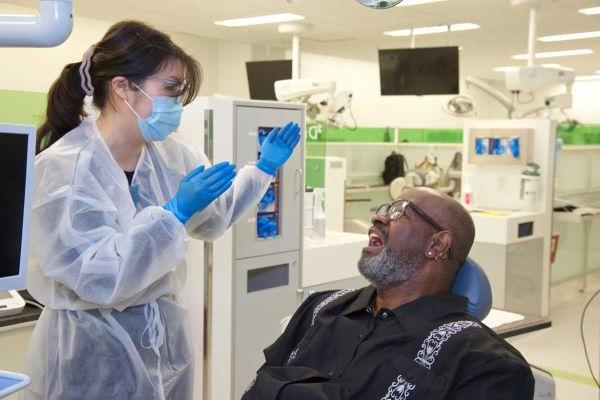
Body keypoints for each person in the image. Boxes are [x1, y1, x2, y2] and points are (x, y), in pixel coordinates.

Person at [23, 20, 300, 400]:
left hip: (163, 347)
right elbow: (100, 278)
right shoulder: (63, 168)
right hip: (88, 354)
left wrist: (263, 169)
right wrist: (172, 214)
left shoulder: (172, 155)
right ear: (123, 88)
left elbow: (212, 217)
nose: (177, 104)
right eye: (169, 90)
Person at [243, 187, 535, 400]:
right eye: (384, 208)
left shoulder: (485, 364)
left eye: (398, 211)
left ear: (437, 245)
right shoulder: (320, 308)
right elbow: (255, 390)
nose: (379, 217)